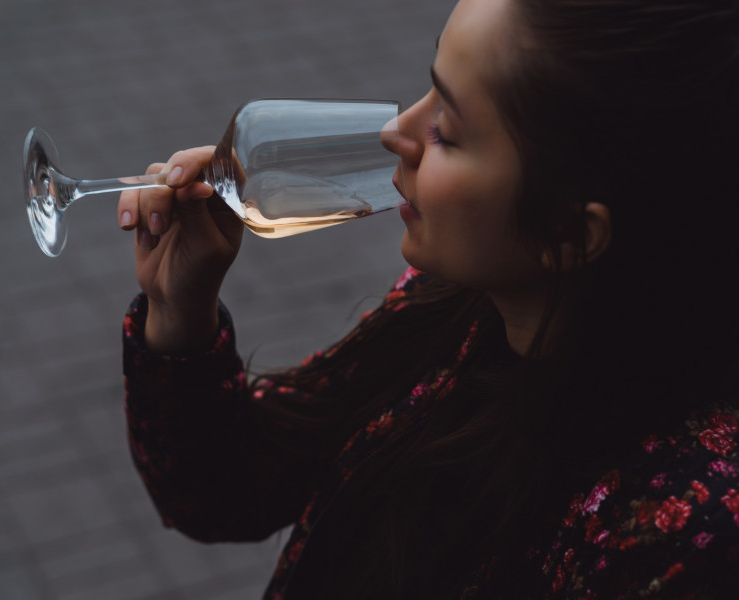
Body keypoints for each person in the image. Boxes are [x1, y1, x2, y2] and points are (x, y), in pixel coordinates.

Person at [116, 0, 739, 596]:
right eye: (430, 87)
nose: (396, 131)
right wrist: (180, 310)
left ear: (570, 233)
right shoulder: (455, 310)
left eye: (446, 129)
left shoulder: (683, 537)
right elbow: (231, 489)